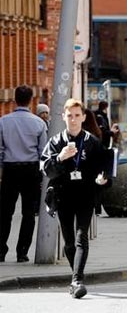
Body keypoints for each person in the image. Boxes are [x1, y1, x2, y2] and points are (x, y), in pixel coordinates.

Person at [41, 98, 113, 298]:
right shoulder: (55, 142)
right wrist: (60, 157)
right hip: (63, 194)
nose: (73, 120)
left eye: (77, 115)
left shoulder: (91, 142)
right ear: (64, 117)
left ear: (83, 117)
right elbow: (46, 169)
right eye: (69, 115)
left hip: (85, 194)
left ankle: (77, 280)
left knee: (82, 237)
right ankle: (75, 278)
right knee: (69, 241)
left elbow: (104, 166)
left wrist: (103, 179)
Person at [0, 85, 48, 263]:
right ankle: (22, 252)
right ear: (31, 101)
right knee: (29, 213)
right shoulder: (39, 123)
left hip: (10, 169)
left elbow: (0, 150)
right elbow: (43, 151)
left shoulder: (3, 121)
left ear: (14, 99)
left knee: (5, 212)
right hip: (31, 170)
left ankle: (1, 250)